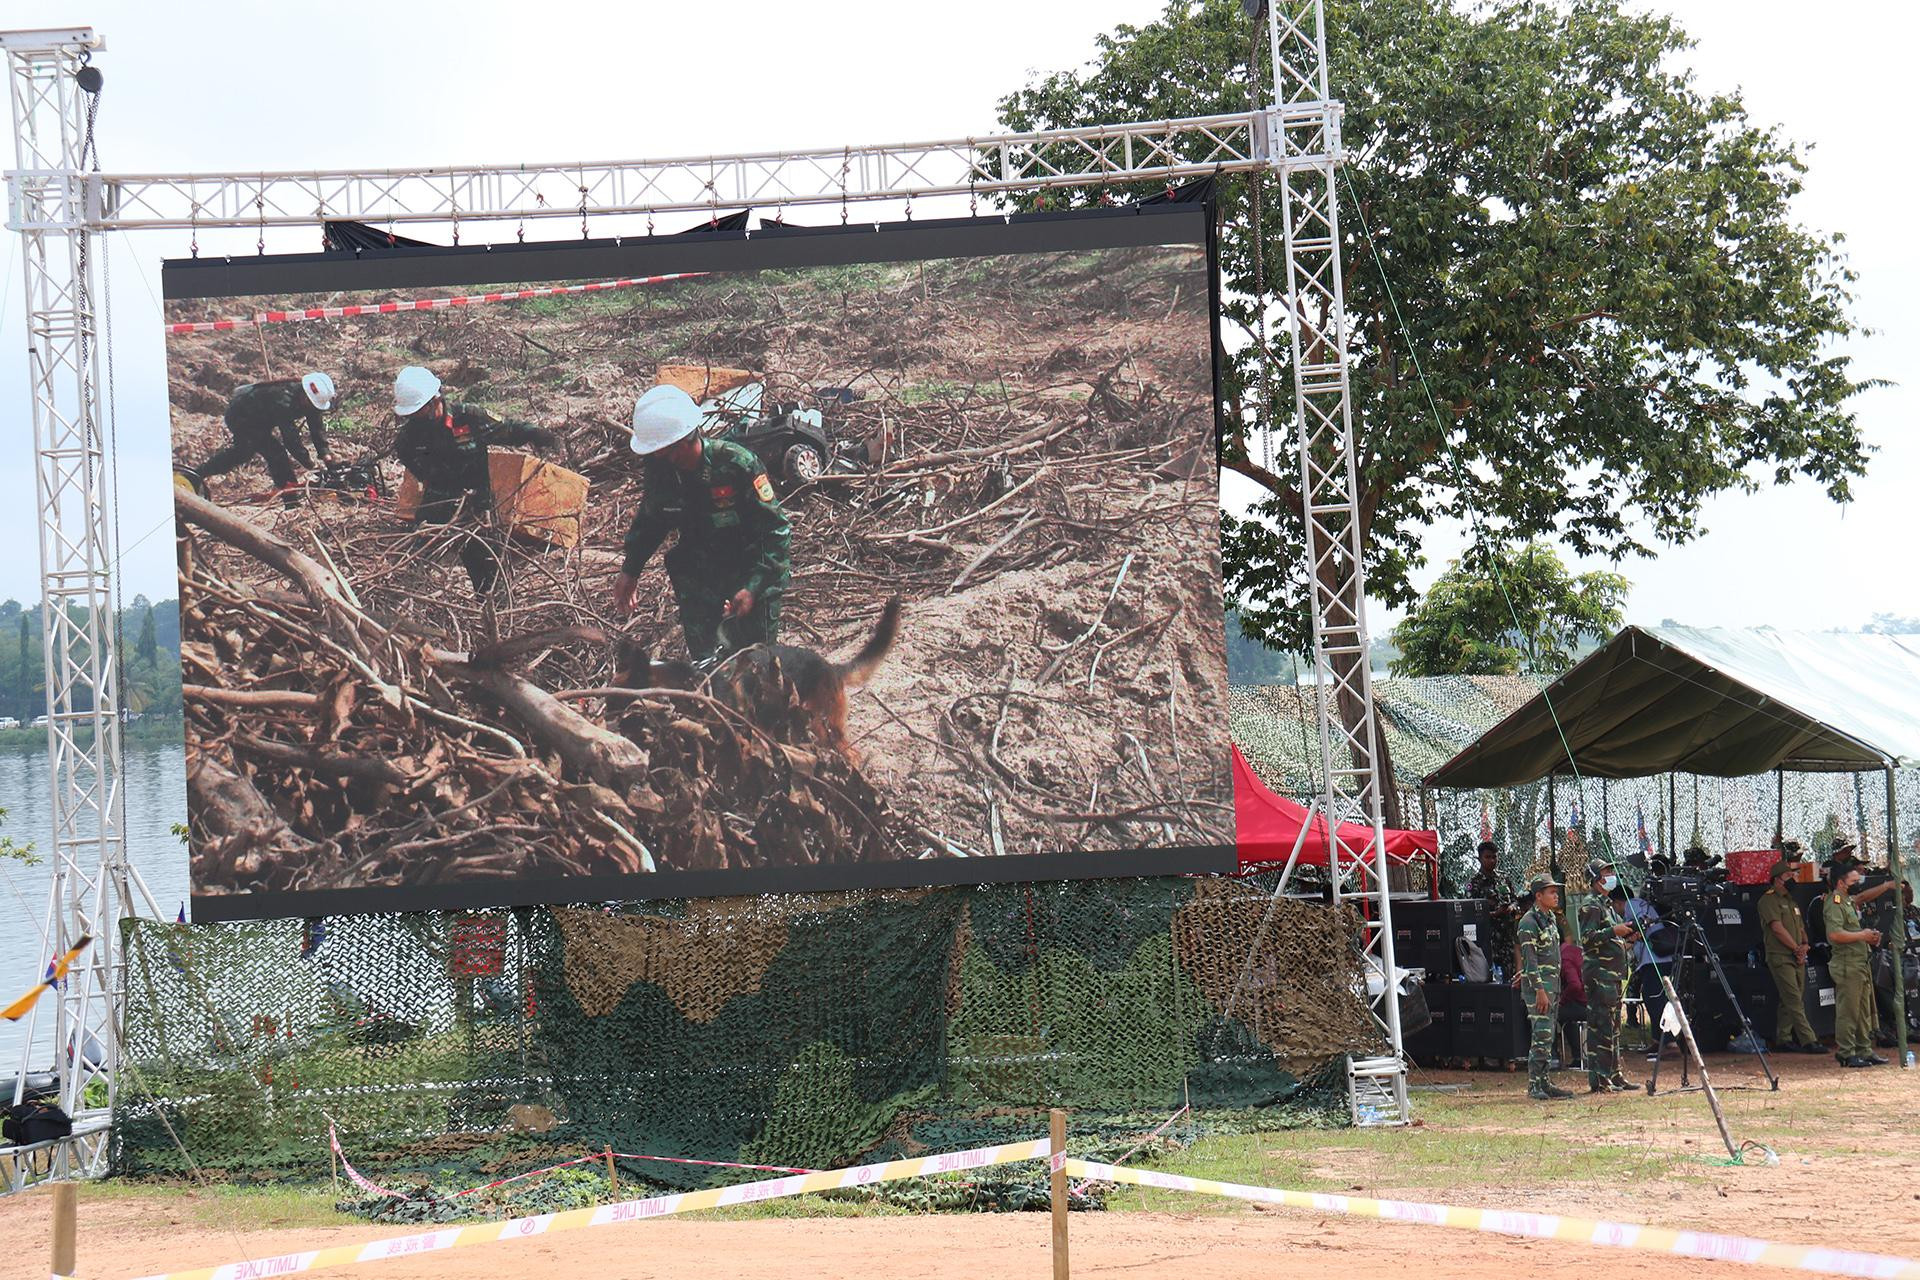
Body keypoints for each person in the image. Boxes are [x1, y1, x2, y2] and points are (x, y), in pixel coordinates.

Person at [614, 385, 792, 664]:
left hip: (749, 575)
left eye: (660, 452)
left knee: (756, 667)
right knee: (709, 668)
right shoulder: (662, 471)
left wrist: (753, 587)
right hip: (699, 583)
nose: (655, 458)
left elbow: (776, 532)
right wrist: (631, 569)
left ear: (679, 446)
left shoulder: (737, 464)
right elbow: (651, 520)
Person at [392, 366, 558, 593]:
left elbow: (508, 429)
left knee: (489, 578)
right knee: (415, 563)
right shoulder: (408, 438)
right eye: (412, 415)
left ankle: (494, 609)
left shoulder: (468, 418)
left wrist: (536, 434)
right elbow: (416, 466)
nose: (416, 418)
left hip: (477, 510)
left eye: (419, 412)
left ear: (435, 400)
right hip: (437, 506)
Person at [191, 372, 336, 505]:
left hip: (262, 419)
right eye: (310, 403)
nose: (311, 407)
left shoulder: (310, 402)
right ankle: (195, 475)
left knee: (257, 453)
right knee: (266, 453)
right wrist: (309, 464)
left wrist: (326, 455)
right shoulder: (282, 399)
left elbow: (316, 428)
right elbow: (290, 439)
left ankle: (291, 499)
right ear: (304, 394)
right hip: (241, 415)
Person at [1577, 857, 1638, 1091]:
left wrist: (1628, 936)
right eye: (1607, 872)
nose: (1612, 875)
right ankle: (1600, 1079)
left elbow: (1611, 938)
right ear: (1596, 878)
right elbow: (1587, 939)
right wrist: (1614, 930)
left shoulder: (1607, 904)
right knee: (1601, 1027)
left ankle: (1614, 1073)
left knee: (1613, 1027)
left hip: (1612, 974)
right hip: (1599, 975)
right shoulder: (1591, 905)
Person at [1756, 858, 1825, 1054]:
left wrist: (1804, 945)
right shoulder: (1768, 900)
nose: (1793, 878)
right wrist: (1796, 948)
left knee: (1791, 997)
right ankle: (1809, 1040)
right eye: (1789, 875)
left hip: (1797, 956)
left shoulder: (1791, 901)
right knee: (1794, 999)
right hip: (1781, 957)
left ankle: (1783, 1038)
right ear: (1778, 878)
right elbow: (1777, 929)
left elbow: (1800, 927)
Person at [1824, 861, 1887, 1067]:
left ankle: (1864, 1050)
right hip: (1847, 964)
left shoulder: (1848, 902)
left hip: (1859, 962)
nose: (1858, 884)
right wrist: (1862, 935)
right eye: (1854, 881)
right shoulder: (1834, 903)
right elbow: (1834, 934)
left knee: (1862, 1011)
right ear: (1841, 883)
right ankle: (1846, 1052)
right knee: (1848, 1011)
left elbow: (1852, 930)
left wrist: (1869, 937)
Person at [1516, 875, 1571, 1100]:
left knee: (1548, 1037)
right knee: (1541, 1035)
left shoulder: (1550, 919)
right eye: (1551, 892)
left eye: (1556, 892)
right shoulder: (1529, 922)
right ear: (1538, 895)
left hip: (1552, 986)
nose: (1556, 895)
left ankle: (1545, 1082)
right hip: (1539, 989)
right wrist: (1539, 990)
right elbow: (1530, 960)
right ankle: (1534, 1085)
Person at [1466, 840, 1519, 979]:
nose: (1492, 860)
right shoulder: (1474, 883)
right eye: (1488, 857)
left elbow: (1515, 900)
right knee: (1492, 977)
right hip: (1489, 939)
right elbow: (1470, 912)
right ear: (1479, 858)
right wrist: (1493, 914)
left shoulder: (1504, 878)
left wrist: (1512, 907)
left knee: (1511, 976)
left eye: (1494, 857)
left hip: (1507, 937)